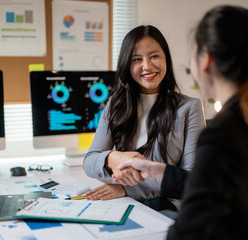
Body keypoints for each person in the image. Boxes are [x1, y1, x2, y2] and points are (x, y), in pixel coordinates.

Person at [116, 5, 248, 239]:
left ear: (206, 60)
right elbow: (222, 188)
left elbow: (190, 230)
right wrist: (155, 170)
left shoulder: (222, 133)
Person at [83, 25, 205, 211]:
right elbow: (90, 161)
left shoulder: (189, 108)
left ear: (166, 58)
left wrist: (127, 188)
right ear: (127, 65)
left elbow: (191, 180)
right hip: (123, 205)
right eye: (136, 59)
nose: (147, 66)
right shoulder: (115, 104)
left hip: (167, 207)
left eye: (154, 56)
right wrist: (112, 157)